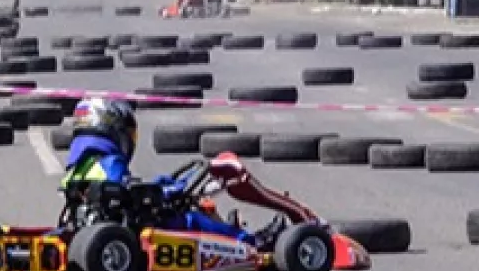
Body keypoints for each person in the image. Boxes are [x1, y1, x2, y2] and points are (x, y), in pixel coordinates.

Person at [59, 97, 310, 247]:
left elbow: (120, 193)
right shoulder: (110, 162)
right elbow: (127, 197)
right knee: (193, 219)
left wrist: (166, 183)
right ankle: (253, 243)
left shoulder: (78, 167)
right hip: (138, 229)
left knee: (186, 200)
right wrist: (170, 190)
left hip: (103, 228)